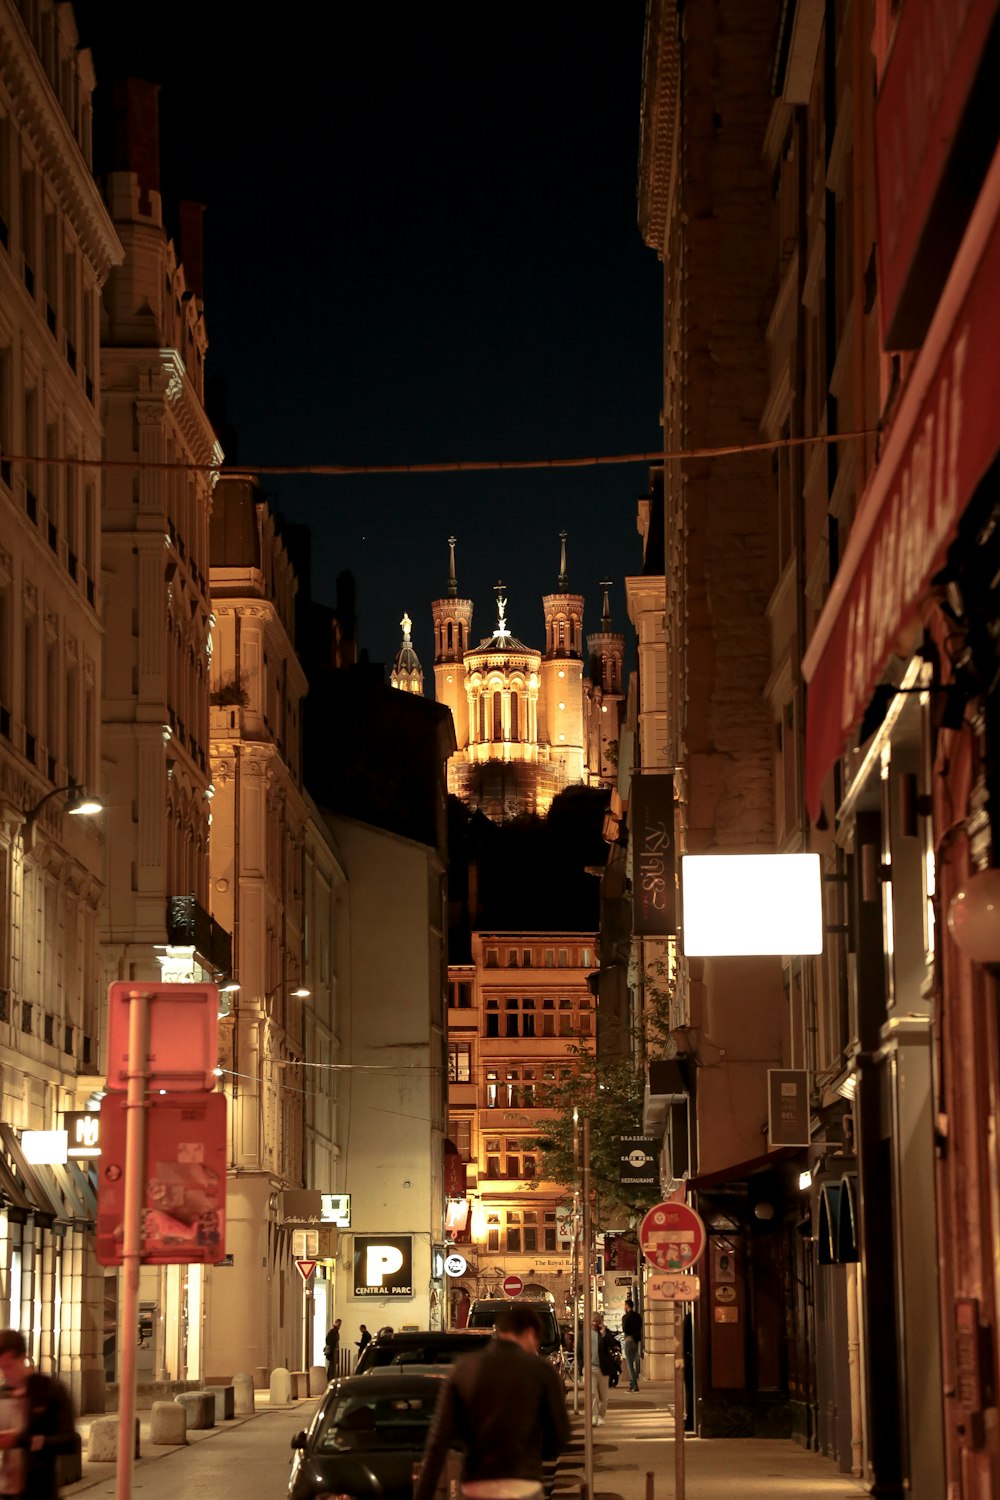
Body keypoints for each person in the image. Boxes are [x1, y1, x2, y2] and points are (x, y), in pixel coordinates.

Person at [414, 1302, 570, 1500]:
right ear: (530, 1333)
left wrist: (422, 1493)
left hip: (476, 1484)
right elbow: (560, 1433)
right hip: (522, 1482)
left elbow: (438, 1441)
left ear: (500, 1331)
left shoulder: (464, 1369)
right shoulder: (541, 1370)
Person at [0, 1329, 77, 1500]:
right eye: (1, 1368)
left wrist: (23, 1441)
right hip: (7, 1490)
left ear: (21, 1358)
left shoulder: (49, 1390)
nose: (5, 1374)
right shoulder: (3, 1394)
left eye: (8, 1367)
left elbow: (69, 1440)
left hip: (40, 1490)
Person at [590, 1314, 614, 1426]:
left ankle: (600, 1416)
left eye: (597, 1321)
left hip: (603, 1368)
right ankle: (594, 1416)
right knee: (593, 1393)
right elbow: (580, 1349)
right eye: (593, 1321)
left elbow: (611, 1344)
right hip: (590, 1367)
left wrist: (604, 1333)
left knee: (603, 1396)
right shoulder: (585, 1333)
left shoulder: (605, 1333)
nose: (594, 1323)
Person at [621, 1299, 643, 1392]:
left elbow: (624, 1328)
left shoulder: (626, 1317)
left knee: (629, 1364)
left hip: (629, 1340)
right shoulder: (638, 1316)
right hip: (636, 1341)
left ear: (627, 1306)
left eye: (624, 1306)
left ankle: (634, 1385)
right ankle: (631, 1384)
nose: (624, 1307)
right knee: (633, 1363)